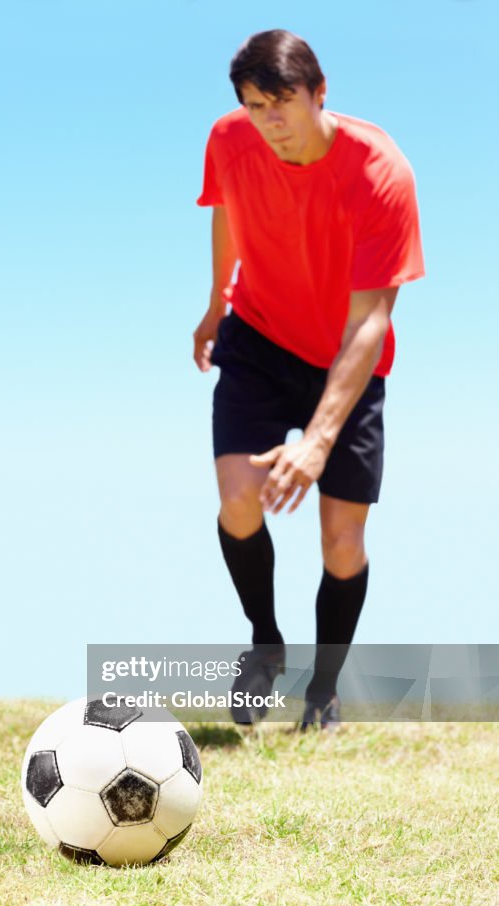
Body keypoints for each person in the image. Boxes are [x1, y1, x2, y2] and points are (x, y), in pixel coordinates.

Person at [193, 29, 424, 729]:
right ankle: (265, 642)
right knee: (239, 500)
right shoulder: (230, 140)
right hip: (259, 336)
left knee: (342, 543)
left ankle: (323, 688)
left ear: (319, 93)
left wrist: (319, 440)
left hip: (346, 362)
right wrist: (213, 305)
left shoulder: (380, 172)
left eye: (282, 102)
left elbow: (369, 322)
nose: (270, 121)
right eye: (255, 105)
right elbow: (226, 211)